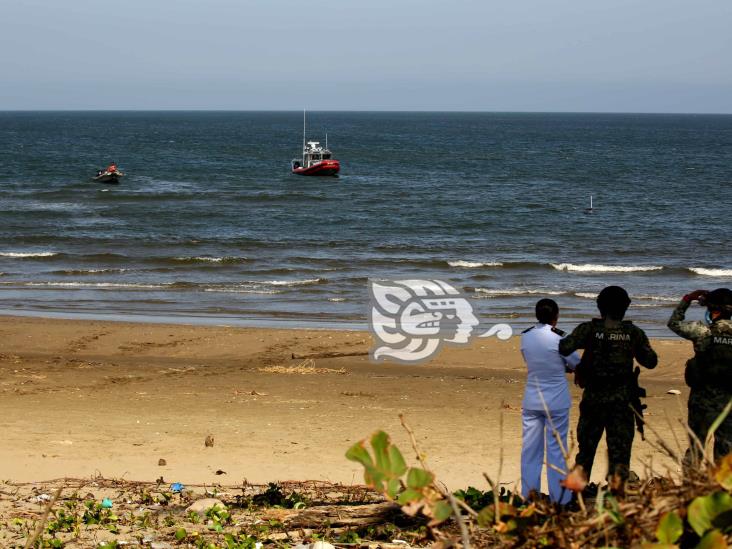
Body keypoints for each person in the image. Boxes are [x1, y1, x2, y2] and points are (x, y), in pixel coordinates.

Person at [559, 286, 658, 493]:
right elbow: (650, 361)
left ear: (599, 306)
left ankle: (575, 499)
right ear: (626, 307)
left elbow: (564, 347)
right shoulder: (633, 333)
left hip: (594, 400)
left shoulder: (589, 329)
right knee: (620, 456)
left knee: (585, 452)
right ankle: (618, 498)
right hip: (622, 404)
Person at [520, 298, 581, 504]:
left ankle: (529, 496)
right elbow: (576, 363)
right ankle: (561, 499)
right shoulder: (560, 338)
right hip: (556, 400)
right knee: (556, 450)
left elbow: (531, 361)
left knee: (530, 450)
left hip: (532, 399)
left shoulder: (526, 336)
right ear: (556, 316)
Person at [667, 288, 732, 464]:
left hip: (701, 400)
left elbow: (673, 323)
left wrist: (687, 299)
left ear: (713, 310)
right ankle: (722, 489)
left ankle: (691, 488)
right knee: (726, 451)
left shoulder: (702, 331)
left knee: (696, 448)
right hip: (728, 402)